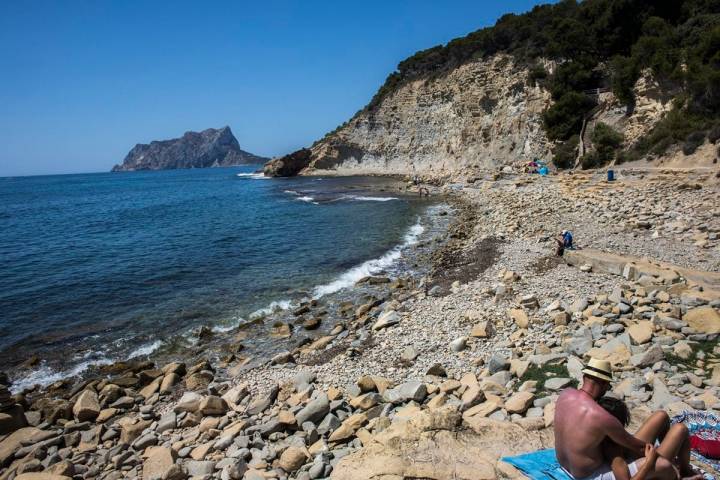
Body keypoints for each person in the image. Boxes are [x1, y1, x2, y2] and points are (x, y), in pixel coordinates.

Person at [554, 358, 701, 480]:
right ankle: (677, 472)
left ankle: (675, 467)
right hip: (592, 475)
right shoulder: (601, 417)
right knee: (666, 457)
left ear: (584, 377)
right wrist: (650, 461)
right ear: (604, 384)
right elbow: (640, 448)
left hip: (570, 466)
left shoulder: (565, 394)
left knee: (661, 416)